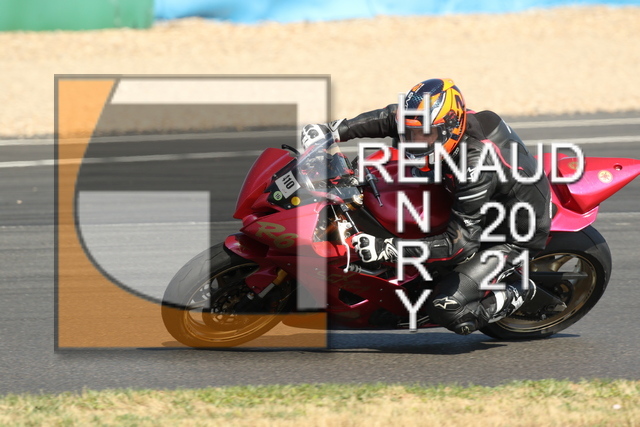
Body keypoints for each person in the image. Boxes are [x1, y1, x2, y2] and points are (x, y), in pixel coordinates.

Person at [301, 78, 552, 335]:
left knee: (447, 308)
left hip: (510, 234)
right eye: (411, 133)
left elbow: (459, 245)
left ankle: (517, 292)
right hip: (473, 196)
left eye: (424, 135)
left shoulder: (476, 165)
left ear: (451, 127)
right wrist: (333, 131)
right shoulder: (444, 124)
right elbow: (391, 118)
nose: (414, 141)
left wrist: (387, 248)